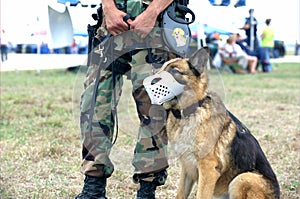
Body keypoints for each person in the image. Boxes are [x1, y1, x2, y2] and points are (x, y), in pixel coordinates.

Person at [75, 0, 186, 198]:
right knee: (93, 102)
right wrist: (108, 8)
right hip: (112, 23)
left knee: (155, 108)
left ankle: (146, 190)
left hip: (157, 22)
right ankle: (93, 187)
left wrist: (152, 11)